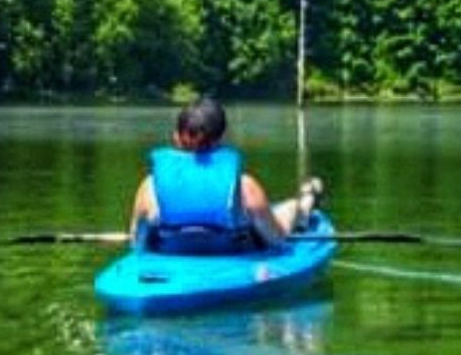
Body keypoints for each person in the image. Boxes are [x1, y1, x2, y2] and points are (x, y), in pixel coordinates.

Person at [127, 96, 318, 251]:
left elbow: (137, 243)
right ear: (221, 138)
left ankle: (305, 198)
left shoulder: (150, 187)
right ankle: (305, 201)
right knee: (289, 209)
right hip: (232, 252)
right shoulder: (245, 187)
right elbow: (276, 242)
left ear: (176, 136)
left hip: (173, 251)